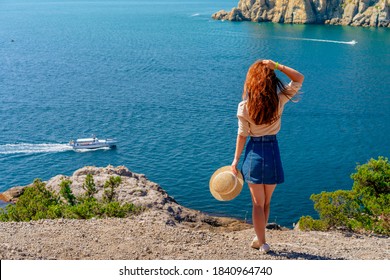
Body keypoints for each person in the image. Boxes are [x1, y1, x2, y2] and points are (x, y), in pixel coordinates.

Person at [231, 59, 304, 253]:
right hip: (272, 152)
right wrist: (277, 66)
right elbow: (299, 78)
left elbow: (242, 135)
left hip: (254, 153)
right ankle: (260, 238)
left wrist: (235, 161)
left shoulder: (244, 106)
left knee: (257, 203)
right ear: (270, 80)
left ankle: (262, 242)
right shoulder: (279, 100)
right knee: (266, 202)